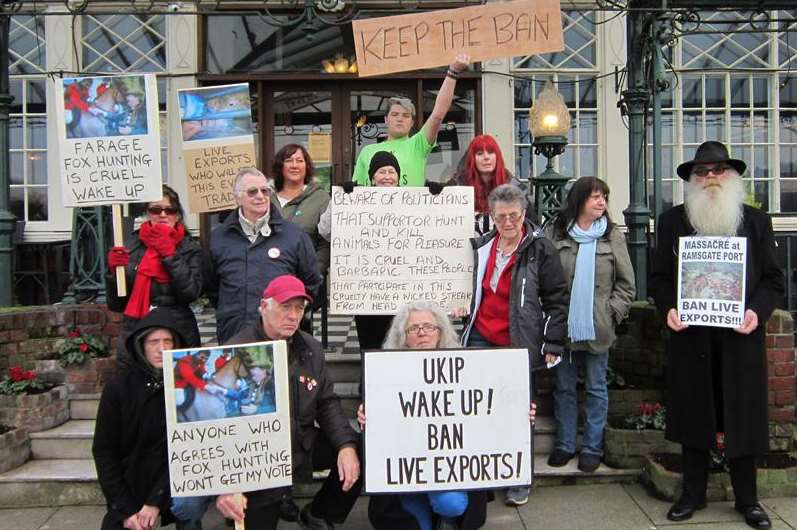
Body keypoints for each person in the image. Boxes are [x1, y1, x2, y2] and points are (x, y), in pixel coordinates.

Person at [650, 141, 784, 529]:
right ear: (691, 180)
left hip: (740, 338)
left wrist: (755, 312)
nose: (710, 178)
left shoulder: (756, 222)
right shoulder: (672, 222)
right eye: (702, 172)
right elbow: (659, 280)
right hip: (691, 338)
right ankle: (692, 495)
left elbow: (774, 281)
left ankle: (749, 500)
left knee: (741, 417)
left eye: (718, 170)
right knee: (695, 417)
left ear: (732, 176)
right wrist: (668, 309)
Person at [175, 275, 361, 530]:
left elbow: (326, 401)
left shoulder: (311, 348)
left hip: (301, 444)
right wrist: (229, 483)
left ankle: (320, 512)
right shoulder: (237, 349)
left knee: (361, 449)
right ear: (264, 307)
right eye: (285, 307)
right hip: (256, 462)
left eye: (299, 308)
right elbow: (216, 429)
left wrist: (346, 445)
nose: (293, 315)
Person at [359, 301, 538, 530]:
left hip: (449, 471)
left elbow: (491, 411)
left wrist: (519, 415)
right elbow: (380, 420)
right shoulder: (384, 374)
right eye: (413, 328)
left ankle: (448, 520)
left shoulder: (466, 370)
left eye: (428, 326)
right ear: (403, 336)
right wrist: (367, 416)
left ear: (440, 332)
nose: (422, 332)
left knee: (451, 503)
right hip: (406, 475)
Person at [453, 184, 569, 506]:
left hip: (518, 342)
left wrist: (553, 341)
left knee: (519, 413)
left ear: (524, 215)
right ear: (491, 216)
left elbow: (557, 298)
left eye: (513, 216)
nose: (507, 223)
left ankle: (519, 477)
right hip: (480, 336)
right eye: (501, 217)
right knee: (477, 409)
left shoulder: (540, 249)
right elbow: (468, 289)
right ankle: (485, 476)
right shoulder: (482, 247)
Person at [543, 177, 636, 472]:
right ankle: (565, 444)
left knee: (596, 388)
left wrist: (611, 313)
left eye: (604, 197)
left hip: (598, 326)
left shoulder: (612, 236)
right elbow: (544, 277)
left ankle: (592, 448)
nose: (602, 203)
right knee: (564, 387)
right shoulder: (556, 232)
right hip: (564, 325)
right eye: (596, 197)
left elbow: (627, 284)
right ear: (580, 200)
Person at [92, 308, 185, 530]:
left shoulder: (186, 387)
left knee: (188, 507)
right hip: (130, 481)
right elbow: (104, 450)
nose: (161, 349)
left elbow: (184, 450)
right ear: (141, 345)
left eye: (167, 341)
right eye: (153, 342)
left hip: (172, 480)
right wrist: (126, 508)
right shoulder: (118, 388)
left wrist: (155, 501)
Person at [207, 167, 323, 344]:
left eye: (265, 191)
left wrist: (290, 311)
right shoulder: (218, 238)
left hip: (281, 337)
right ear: (237, 197)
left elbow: (312, 281)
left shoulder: (293, 235)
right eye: (252, 192)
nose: (260, 196)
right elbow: (212, 287)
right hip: (234, 333)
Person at [106, 184, 203, 367]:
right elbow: (117, 303)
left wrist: (170, 255)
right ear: (148, 213)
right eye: (156, 209)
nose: (163, 215)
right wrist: (113, 273)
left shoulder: (190, 249)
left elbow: (191, 292)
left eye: (170, 210)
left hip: (177, 329)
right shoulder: (131, 245)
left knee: (178, 388)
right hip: (137, 329)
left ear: (178, 215)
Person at [352, 55, 470, 187]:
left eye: (406, 115)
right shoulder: (367, 151)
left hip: (410, 208)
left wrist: (452, 72)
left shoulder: (417, 145)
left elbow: (437, 115)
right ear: (386, 119)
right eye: (395, 114)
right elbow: (356, 191)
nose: (400, 118)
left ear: (412, 122)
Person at [271, 144, 331, 273]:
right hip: (268, 278)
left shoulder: (321, 198)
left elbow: (326, 242)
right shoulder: (265, 198)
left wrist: (314, 271)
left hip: (307, 281)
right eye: (288, 160)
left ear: (306, 166)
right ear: (280, 166)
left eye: (299, 161)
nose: (294, 165)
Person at [448, 134, 516, 235]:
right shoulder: (457, 186)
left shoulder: (514, 187)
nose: (486, 157)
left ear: (497, 156)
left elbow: (529, 226)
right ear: (472, 159)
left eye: (491, 152)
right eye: (480, 153)